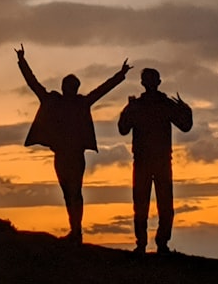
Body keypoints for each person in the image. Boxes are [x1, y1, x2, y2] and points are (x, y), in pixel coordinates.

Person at [16, 44, 132, 243]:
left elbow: (102, 90)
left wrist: (120, 75)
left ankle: (77, 232)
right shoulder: (56, 101)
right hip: (62, 154)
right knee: (69, 192)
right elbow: (33, 83)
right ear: (65, 87)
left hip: (73, 155)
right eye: (68, 86)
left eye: (71, 86)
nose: (69, 88)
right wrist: (22, 61)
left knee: (74, 192)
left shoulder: (79, 102)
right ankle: (75, 231)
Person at [118, 68, 193, 255]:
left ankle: (149, 244)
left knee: (149, 204)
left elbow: (122, 129)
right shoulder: (160, 104)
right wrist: (186, 109)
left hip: (152, 161)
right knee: (156, 204)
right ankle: (154, 244)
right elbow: (186, 126)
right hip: (153, 161)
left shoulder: (148, 105)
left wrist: (128, 109)